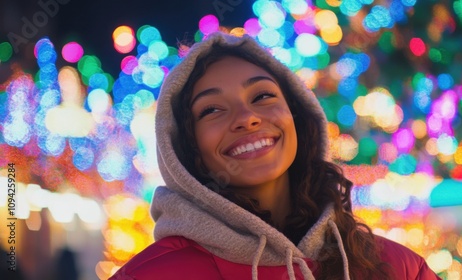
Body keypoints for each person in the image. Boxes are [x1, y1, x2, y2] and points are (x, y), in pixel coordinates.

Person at [110, 32, 441, 280]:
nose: (246, 117)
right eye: (212, 109)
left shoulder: (399, 269)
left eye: (262, 95)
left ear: (298, 116)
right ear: (185, 148)